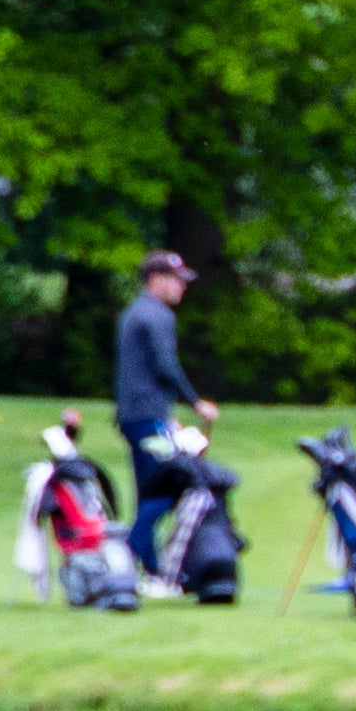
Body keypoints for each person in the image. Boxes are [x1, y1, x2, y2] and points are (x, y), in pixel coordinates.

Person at [117, 250, 220, 590]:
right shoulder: (157, 316)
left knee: (149, 491)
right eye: (176, 280)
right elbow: (165, 365)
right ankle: (125, 558)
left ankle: (153, 571)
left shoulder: (135, 313)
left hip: (137, 415)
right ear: (156, 279)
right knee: (172, 487)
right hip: (148, 418)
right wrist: (195, 403)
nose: (181, 287)